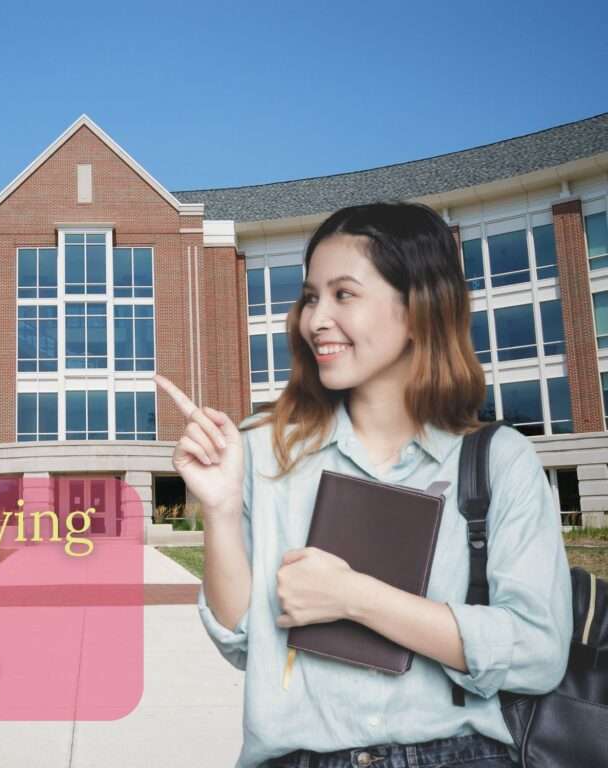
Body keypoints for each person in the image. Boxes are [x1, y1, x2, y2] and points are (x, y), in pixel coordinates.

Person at [153, 201, 572, 768]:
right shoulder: (262, 450)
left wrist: (356, 598)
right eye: (310, 297)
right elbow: (242, 642)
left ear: (418, 306)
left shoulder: (499, 460)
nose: (314, 319)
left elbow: (537, 652)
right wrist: (223, 510)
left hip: (461, 754)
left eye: (344, 295)